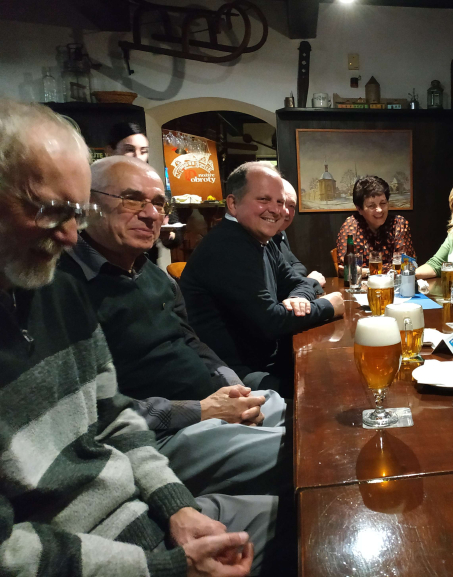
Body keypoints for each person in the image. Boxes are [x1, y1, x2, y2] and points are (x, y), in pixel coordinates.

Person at [0, 99, 273, 577]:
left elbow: (115, 418)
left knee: (307, 494)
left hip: (145, 502)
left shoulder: (58, 290)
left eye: (76, 212)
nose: (70, 236)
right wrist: (164, 566)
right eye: (51, 210)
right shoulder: (74, 281)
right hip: (112, 552)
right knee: (301, 465)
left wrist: (176, 506)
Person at [58, 155, 289, 498]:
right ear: (87, 204)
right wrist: (205, 410)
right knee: (301, 453)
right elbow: (94, 411)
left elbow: (191, 341)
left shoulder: (152, 274)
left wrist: (233, 387)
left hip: (214, 405)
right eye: (132, 199)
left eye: (158, 203)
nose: (151, 214)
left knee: (311, 416)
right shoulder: (61, 289)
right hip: (157, 438)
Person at [181, 161, 345, 389]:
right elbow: (270, 322)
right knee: (327, 387)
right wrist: (329, 306)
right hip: (233, 377)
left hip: (264, 360)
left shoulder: (262, 241)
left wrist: (298, 298)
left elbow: (298, 282)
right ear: (233, 204)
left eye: (280, 202)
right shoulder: (228, 246)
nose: (277, 210)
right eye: (264, 199)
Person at [105, 121, 182, 263]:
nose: (137, 156)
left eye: (143, 151)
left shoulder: (156, 186)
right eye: (129, 149)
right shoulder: (99, 184)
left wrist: (168, 235)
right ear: (110, 150)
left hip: (145, 264)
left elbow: (176, 237)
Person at [336, 176, 415, 275]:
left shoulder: (399, 223)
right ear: (359, 209)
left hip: (394, 284)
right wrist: (387, 269)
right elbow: (346, 268)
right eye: (371, 206)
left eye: (383, 203)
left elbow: (406, 265)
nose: (379, 210)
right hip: (361, 285)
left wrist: (366, 271)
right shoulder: (351, 225)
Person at [274, 179, 326, 295]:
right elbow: (278, 288)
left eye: (291, 206)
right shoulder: (256, 238)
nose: (287, 212)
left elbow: (298, 266)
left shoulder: (280, 233)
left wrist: (295, 281)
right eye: (280, 202)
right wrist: (310, 281)